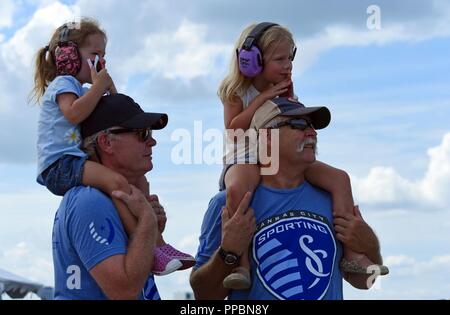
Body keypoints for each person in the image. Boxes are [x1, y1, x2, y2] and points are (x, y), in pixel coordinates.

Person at [217, 22, 386, 289]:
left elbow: (291, 123)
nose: (288, 65)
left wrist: (289, 99)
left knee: (339, 178)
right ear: (253, 60)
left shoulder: (284, 86)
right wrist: (264, 100)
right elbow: (233, 129)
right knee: (238, 187)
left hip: (284, 157)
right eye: (280, 59)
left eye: (291, 57)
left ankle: (353, 254)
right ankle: (242, 264)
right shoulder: (236, 90)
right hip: (247, 154)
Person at [31, 18, 194, 276]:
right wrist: (98, 87)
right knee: (117, 183)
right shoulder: (64, 84)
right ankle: (148, 245)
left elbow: (114, 108)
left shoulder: (81, 89)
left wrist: (104, 86)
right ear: (68, 56)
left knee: (138, 182)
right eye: (94, 54)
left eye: (103, 55)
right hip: (60, 165)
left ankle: (159, 244)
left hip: (74, 159)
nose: (101, 61)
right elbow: (73, 115)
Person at [190, 97, 388, 300]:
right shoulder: (227, 204)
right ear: (268, 136)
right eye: (299, 124)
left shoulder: (334, 199)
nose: (312, 132)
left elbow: (365, 282)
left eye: (312, 126)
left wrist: (371, 246)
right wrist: (228, 252)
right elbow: (203, 296)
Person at [53, 93, 171, 299]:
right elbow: (123, 291)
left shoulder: (111, 200)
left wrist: (148, 232)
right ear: (106, 142)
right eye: (142, 133)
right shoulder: (89, 201)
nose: (152, 142)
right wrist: (147, 222)